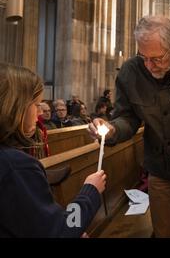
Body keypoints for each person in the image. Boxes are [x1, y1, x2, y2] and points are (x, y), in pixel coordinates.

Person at [88, 16, 170, 238]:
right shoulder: (131, 71)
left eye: (156, 59)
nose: (149, 66)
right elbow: (127, 117)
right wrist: (112, 129)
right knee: (165, 232)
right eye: (143, 57)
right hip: (160, 168)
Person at [0, 63, 106, 237]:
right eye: (36, 104)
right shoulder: (16, 166)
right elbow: (60, 230)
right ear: (15, 108)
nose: (40, 113)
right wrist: (90, 191)